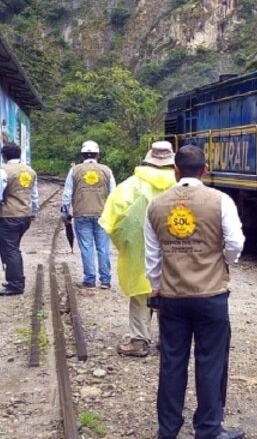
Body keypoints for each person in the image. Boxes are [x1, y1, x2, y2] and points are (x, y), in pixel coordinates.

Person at [145, 145, 245, 439]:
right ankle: (209, 429)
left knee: (171, 362)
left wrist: (157, 285)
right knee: (211, 362)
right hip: (211, 296)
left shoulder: (156, 205)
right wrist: (223, 263)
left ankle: (168, 430)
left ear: (175, 171)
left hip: (172, 296)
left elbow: (152, 255)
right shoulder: (221, 201)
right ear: (205, 170)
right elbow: (235, 243)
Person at [99, 141, 176, 357]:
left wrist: (126, 244)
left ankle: (139, 341)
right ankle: (168, 340)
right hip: (176, 253)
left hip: (139, 253)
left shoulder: (130, 185)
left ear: (148, 159)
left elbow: (111, 222)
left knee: (141, 294)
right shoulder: (181, 185)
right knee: (171, 294)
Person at [61, 140, 116, 289]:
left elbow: (67, 194)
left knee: (86, 247)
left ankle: (90, 280)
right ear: (98, 154)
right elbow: (114, 194)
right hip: (102, 214)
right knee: (103, 247)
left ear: (82, 155)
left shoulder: (74, 170)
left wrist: (65, 213)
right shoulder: (106, 170)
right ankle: (105, 280)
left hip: (81, 214)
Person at [0, 143, 39, 296]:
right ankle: (14, 277)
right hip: (25, 216)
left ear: (4, 156)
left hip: (9, 215)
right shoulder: (30, 171)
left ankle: (16, 284)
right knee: (12, 248)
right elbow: (34, 195)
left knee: (11, 249)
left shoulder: (3, 171)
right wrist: (34, 211)